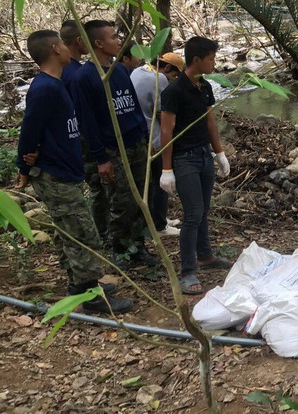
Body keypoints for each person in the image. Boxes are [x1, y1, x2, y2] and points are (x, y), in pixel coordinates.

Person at [15, 30, 133, 314]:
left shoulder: (57, 84)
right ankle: (90, 296)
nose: (70, 49)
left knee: (72, 230)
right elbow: (29, 129)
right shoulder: (44, 88)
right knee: (82, 233)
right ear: (56, 49)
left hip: (66, 170)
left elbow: (48, 128)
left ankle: (80, 286)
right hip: (55, 174)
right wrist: (25, 165)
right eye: (63, 45)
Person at [70, 20, 158, 269]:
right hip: (112, 149)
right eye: (113, 37)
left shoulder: (119, 70)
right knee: (120, 201)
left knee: (142, 196)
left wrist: (146, 137)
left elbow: (134, 107)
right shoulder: (83, 77)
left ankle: (138, 245)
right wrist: (101, 158)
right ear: (98, 43)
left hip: (136, 142)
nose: (119, 41)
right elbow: (87, 123)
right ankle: (119, 249)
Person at [160, 37, 232, 295]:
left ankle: (205, 256)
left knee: (203, 210)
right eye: (211, 58)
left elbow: (210, 121)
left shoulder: (204, 86)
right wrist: (166, 169)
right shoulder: (174, 91)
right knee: (192, 214)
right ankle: (187, 271)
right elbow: (166, 131)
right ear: (196, 60)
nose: (214, 63)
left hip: (203, 155)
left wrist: (219, 153)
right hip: (184, 158)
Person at [60, 20, 114, 241]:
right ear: (79, 40)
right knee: (100, 189)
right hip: (87, 140)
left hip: (83, 138)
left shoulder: (72, 69)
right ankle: (102, 234)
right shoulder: (75, 74)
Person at [131, 53, 185, 237]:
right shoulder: (159, 78)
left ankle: (155, 218)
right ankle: (160, 226)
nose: (172, 80)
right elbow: (163, 111)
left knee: (149, 183)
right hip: (153, 137)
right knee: (160, 181)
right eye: (174, 76)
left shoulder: (138, 70)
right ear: (167, 68)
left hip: (139, 134)